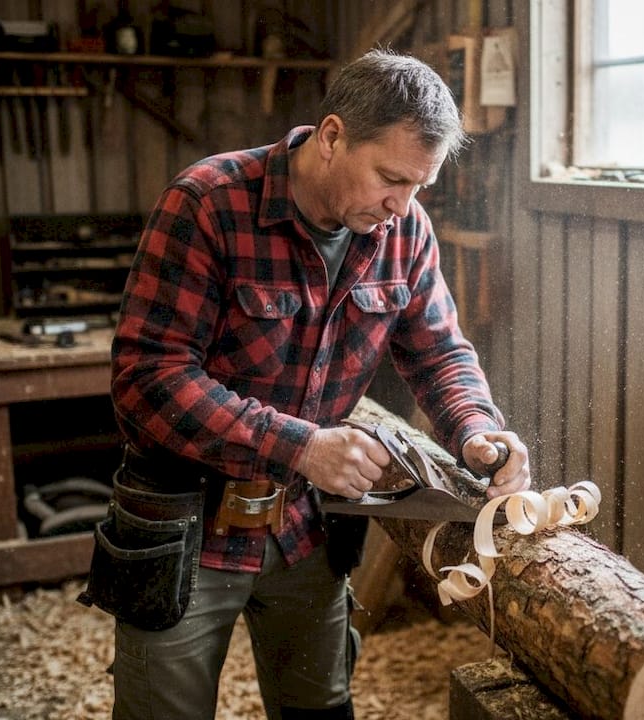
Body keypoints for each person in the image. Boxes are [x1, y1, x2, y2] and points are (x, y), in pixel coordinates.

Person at [90, 49, 532, 720]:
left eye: (419, 186)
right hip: (185, 523)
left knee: (319, 707)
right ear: (331, 138)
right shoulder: (207, 202)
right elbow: (147, 378)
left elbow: (440, 352)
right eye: (390, 178)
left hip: (303, 527)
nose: (402, 206)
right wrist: (298, 445)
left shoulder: (403, 230)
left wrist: (476, 428)